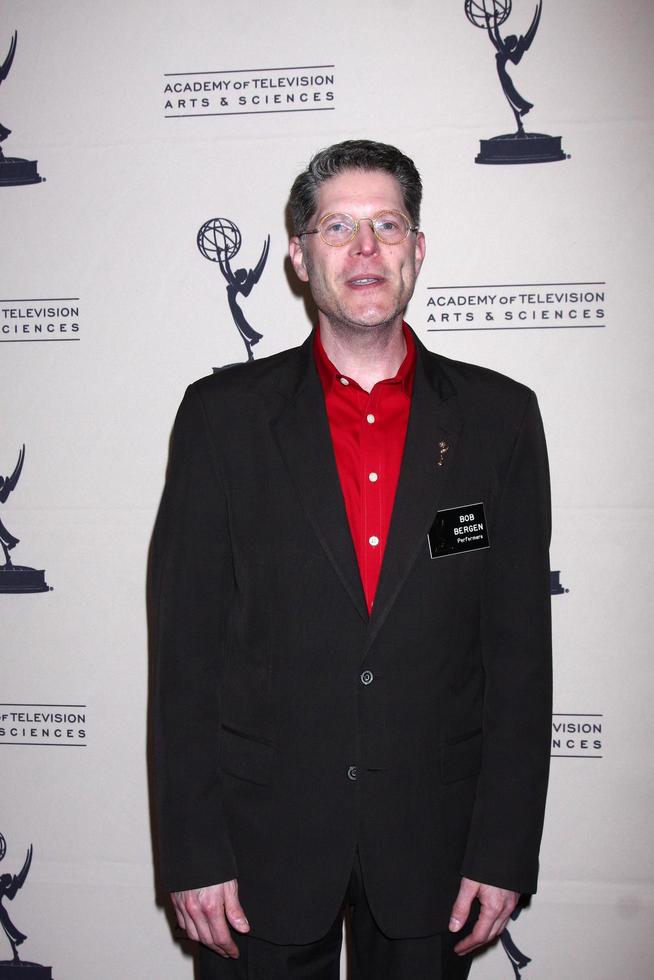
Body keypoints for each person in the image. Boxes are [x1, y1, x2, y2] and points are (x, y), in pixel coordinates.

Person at [150, 139, 552, 979]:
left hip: (434, 852)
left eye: (387, 225)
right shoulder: (221, 419)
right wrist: (193, 851)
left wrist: (505, 849)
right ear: (298, 257)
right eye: (338, 227)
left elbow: (518, 658)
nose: (366, 249)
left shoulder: (499, 420)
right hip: (258, 852)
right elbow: (185, 657)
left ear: (417, 249)